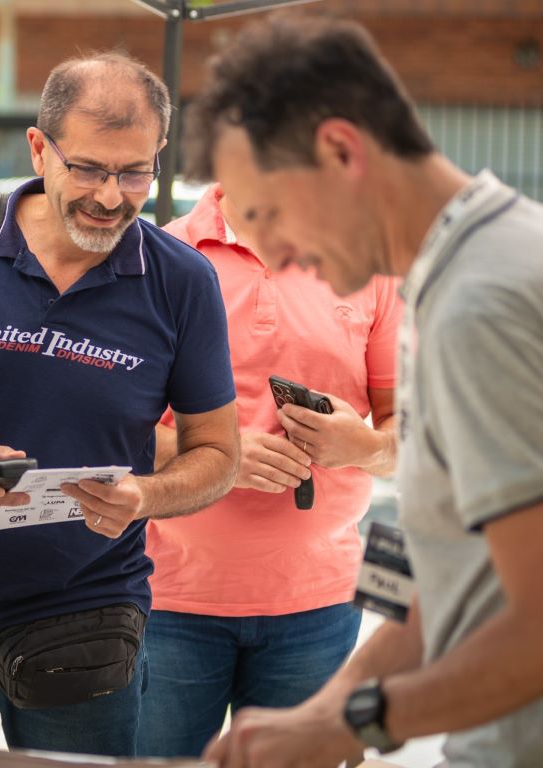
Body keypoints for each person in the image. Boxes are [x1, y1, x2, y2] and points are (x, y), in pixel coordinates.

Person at [184, 15, 543, 768]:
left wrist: (348, 723)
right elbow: (462, 574)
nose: (272, 251)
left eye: (269, 214)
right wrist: (323, 710)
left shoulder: (480, 306)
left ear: (341, 150)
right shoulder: (470, 270)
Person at [0, 51, 239, 757]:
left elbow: (219, 455)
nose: (111, 197)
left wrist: (145, 495)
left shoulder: (182, 282)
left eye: (135, 172)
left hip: (85, 614)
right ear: (39, 148)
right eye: (89, 169)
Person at [137, 181, 402, 757]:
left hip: (319, 605)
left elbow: (409, 433)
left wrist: (360, 446)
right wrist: (217, 456)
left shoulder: (369, 263)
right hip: (170, 599)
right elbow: (109, 428)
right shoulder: (160, 255)